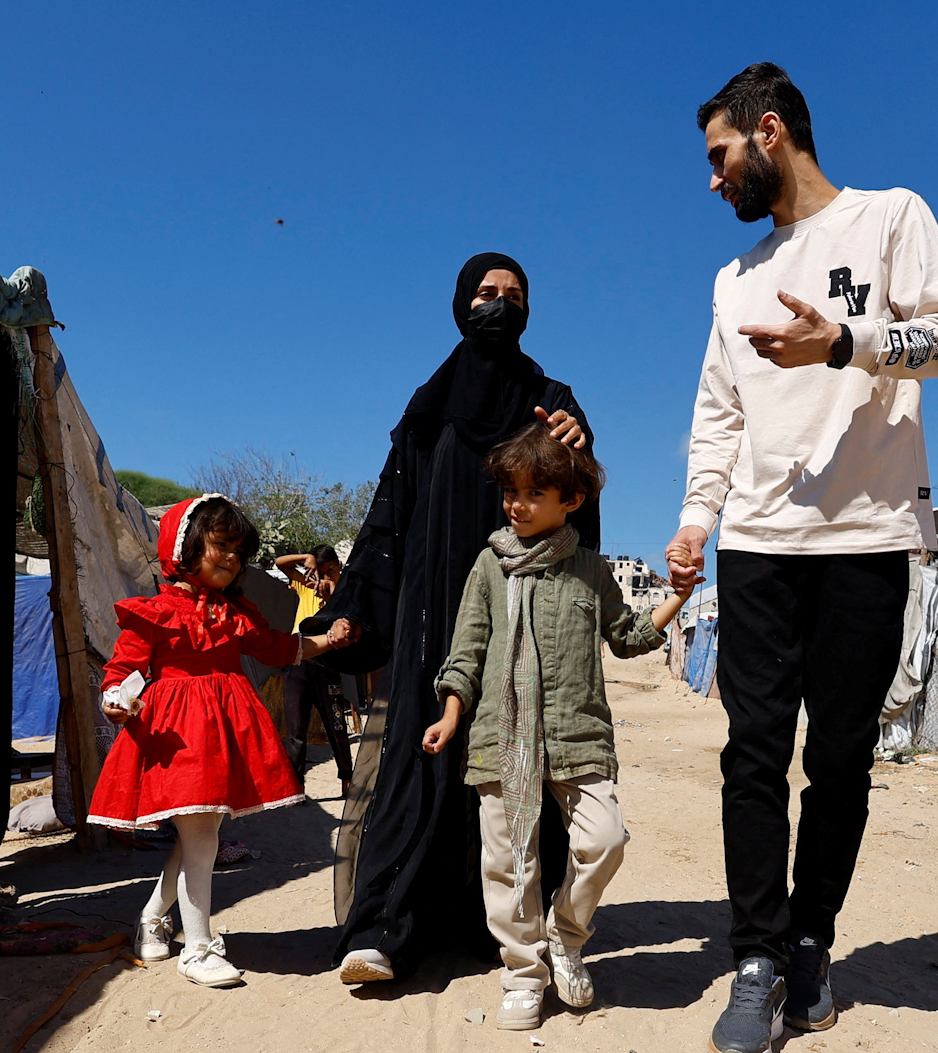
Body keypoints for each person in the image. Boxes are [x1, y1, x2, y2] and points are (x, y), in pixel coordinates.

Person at [666, 64, 938, 1053]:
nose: (713, 179)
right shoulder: (735, 280)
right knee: (753, 753)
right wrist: (695, 521)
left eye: (720, 156)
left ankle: (811, 944)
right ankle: (756, 960)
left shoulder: (891, 218)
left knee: (840, 759)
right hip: (758, 543)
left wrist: (845, 341)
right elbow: (718, 413)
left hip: (867, 538)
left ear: (769, 133)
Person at [311, 252, 594, 986]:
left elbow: (578, 510)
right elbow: (388, 518)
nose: (499, 304)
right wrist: (354, 609)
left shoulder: (552, 404)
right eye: (485, 293)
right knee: (418, 756)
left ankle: (507, 927)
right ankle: (381, 928)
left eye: (513, 295)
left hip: (520, 615)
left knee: (513, 765)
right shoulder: (428, 407)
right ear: (461, 304)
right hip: (433, 614)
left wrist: (580, 449)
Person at [422, 424, 689, 1031]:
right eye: (510, 492)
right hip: (500, 737)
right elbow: (467, 651)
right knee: (510, 862)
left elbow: (627, 637)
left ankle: (565, 936)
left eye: (533, 493)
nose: (516, 505)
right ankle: (523, 975)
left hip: (578, 734)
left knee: (605, 840)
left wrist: (675, 596)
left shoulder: (591, 570)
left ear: (571, 500)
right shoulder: (489, 566)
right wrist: (451, 713)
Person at [87, 495, 355, 988]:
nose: (232, 558)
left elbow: (279, 647)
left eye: (238, 551)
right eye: (221, 545)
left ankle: (152, 917)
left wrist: (330, 640)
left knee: (199, 834)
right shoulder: (154, 611)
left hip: (224, 729)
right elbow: (122, 668)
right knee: (201, 837)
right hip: (177, 734)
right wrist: (114, 698)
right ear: (184, 546)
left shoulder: (236, 612)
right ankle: (197, 948)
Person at [273, 545, 356, 793]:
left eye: (330, 571)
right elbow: (280, 563)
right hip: (299, 660)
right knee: (296, 728)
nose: (326, 577)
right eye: (321, 573)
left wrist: (331, 592)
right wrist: (305, 558)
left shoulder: (345, 590)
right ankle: (297, 786)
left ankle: (347, 778)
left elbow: (344, 615)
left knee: (336, 724)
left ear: (339, 566)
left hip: (328, 663)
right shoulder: (306, 585)